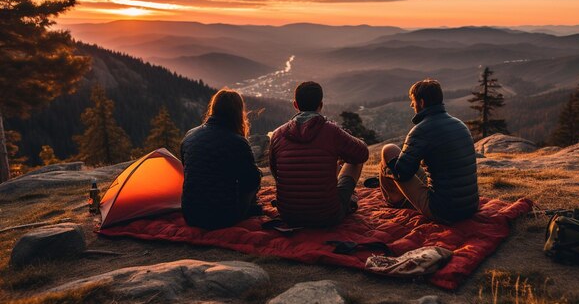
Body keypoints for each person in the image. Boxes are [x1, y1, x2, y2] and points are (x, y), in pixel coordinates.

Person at [269, 81, 369, 227]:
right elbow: (363, 154)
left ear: (295, 105)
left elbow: (275, 171)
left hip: (288, 215)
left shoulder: (278, 134)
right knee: (355, 159)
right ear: (320, 105)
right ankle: (346, 197)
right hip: (327, 216)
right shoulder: (331, 131)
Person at [380, 79, 478, 223]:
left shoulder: (421, 131)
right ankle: (395, 195)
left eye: (413, 101)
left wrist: (388, 167)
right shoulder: (460, 124)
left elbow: (402, 173)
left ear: (422, 102)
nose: (411, 105)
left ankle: (393, 199)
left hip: (443, 211)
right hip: (470, 206)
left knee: (388, 150)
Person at [180, 88, 262, 230]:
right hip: (223, 217)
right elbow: (252, 181)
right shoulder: (237, 142)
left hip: (191, 214)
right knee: (254, 178)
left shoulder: (190, 136)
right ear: (238, 112)